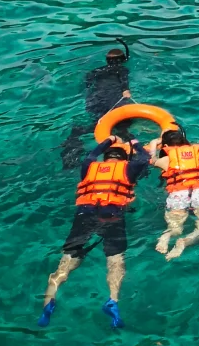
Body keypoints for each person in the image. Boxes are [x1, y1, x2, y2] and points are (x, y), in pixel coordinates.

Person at [38, 126, 152, 329]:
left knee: (68, 259)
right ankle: (113, 300)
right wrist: (133, 140)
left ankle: (50, 299)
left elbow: (92, 153)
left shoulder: (89, 166)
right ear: (123, 159)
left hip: (85, 214)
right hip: (112, 216)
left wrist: (110, 138)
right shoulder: (127, 168)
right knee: (115, 260)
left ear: (105, 158)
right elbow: (144, 158)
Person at [150, 127, 199, 260]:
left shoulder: (166, 160)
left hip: (178, 195)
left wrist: (153, 145)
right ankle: (186, 241)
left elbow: (151, 160)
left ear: (166, 146)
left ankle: (166, 237)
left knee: (175, 228)